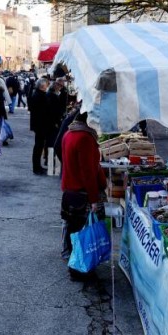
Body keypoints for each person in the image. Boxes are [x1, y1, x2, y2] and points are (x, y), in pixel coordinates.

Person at [60, 112, 106, 281]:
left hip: (70, 191)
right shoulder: (85, 138)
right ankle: (80, 270)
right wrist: (94, 199)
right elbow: (89, 172)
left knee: (74, 231)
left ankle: (76, 265)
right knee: (82, 234)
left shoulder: (69, 133)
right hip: (81, 193)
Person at [28, 78, 50, 175]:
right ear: (42, 86)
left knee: (39, 146)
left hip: (39, 124)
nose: (47, 87)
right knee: (38, 146)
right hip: (40, 124)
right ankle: (36, 167)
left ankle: (38, 166)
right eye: (46, 85)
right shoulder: (39, 95)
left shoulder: (38, 94)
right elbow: (43, 111)